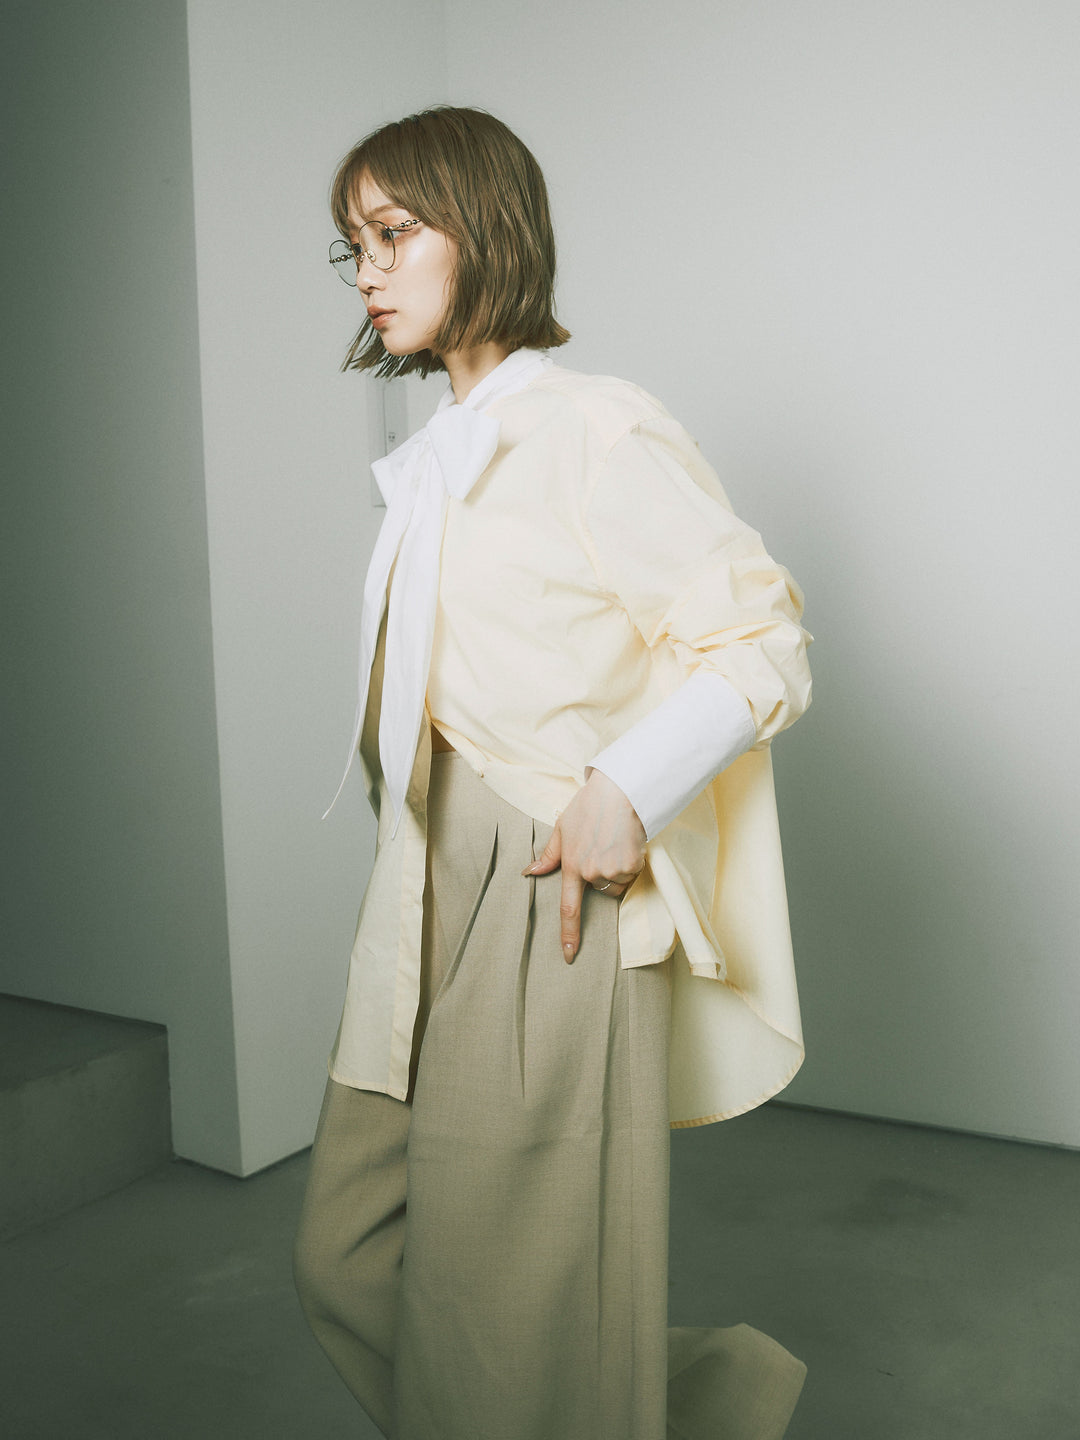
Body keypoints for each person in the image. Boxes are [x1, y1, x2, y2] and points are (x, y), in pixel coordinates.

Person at [294, 105, 814, 1440]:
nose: (368, 270)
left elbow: (760, 640)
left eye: (394, 232)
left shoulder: (595, 429)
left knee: (506, 1292)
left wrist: (624, 791)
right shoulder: (440, 451)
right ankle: (691, 1402)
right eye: (355, 244)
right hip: (422, 877)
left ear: (484, 229)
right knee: (349, 1252)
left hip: (546, 884)